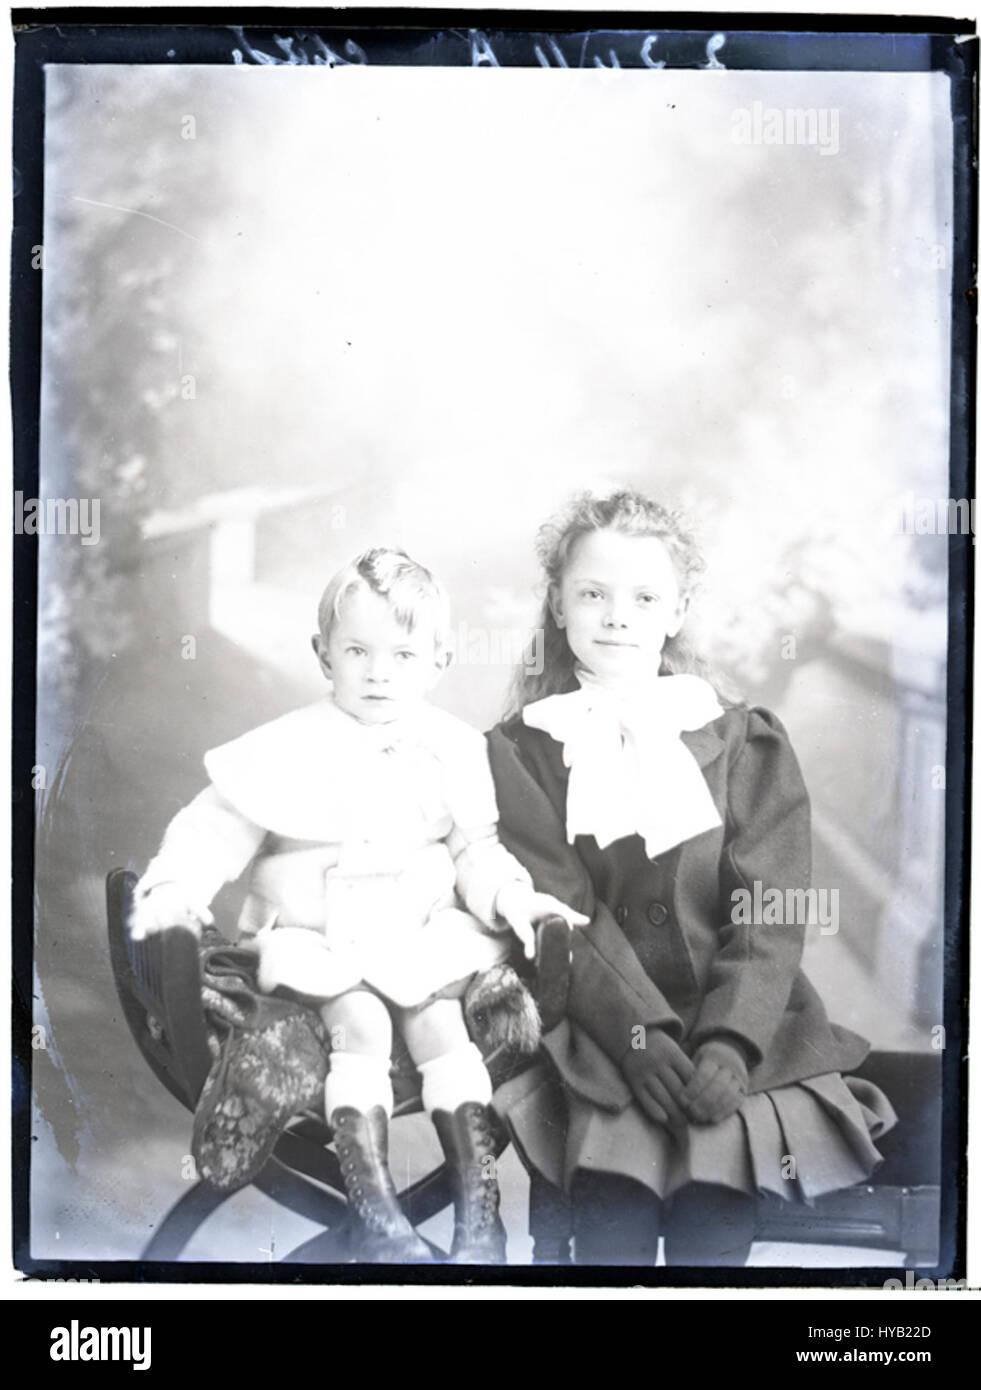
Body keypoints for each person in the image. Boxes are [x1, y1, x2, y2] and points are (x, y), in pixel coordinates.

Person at [130, 547, 585, 1264]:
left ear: (438, 660)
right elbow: (212, 829)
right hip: (322, 941)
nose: (379, 673)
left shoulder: (451, 748)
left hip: (416, 936)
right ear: (323, 655)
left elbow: (477, 851)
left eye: (403, 655)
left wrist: (513, 899)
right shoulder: (287, 744)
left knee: (440, 1020)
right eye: (357, 652)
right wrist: (174, 888)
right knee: (362, 1021)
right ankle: (380, 1218)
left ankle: (478, 1219)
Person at [486, 490, 897, 1266]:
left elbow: (769, 907)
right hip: (600, 1030)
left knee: (717, 1188)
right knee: (612, 1201)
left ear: (676, 611)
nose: (617, 617)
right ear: (558, 604)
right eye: (592, 595)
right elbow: (559, 906)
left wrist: (730, 1042)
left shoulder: (744, 741)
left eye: (644, 598)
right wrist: (635, 1038)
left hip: (741, 1027)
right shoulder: (519, 752)